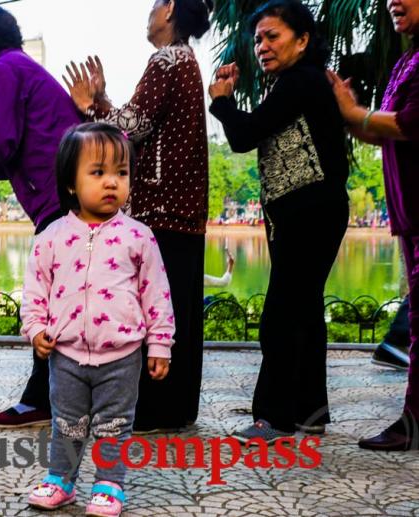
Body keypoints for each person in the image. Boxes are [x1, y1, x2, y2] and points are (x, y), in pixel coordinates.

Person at [64, 0, 212, 434]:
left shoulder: (166, 60)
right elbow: (140, 120)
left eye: (154, 5)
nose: (149, 13)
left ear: (169, 9)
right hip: (182, 209)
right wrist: (104, 99)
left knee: (157, 309)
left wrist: (91, 107)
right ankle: (178, 408)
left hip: (162, 207)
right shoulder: (185, 61)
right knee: (179, 307)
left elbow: (132, 127)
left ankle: (156, 410)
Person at [209, 0, 350, 443]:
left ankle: (273, 418)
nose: (262, 46)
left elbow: (244, 135)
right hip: (307, 213)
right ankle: (310, 413)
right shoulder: (297, 83)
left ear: (302, 40)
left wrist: (222, 102)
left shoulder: (301, 82)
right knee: (304, 311)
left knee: (282, 314)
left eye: (272, 36)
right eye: (258, 40)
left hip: (310, 213)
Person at [21, 123, 173, 516]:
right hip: (66, 354)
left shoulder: (138, 236)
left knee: (114, 425)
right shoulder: (51, 237)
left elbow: (156, 293)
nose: (112, 183)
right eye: (98, 172)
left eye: (121, 174)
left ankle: (109, 484)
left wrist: (159, 344)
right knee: (66, 422)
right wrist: (36, 329)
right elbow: (35, 291)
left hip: (122, 355)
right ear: (71, 183)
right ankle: (61, 480)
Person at [0, 3, 82, 429]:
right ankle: (56, 397)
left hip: (59, 198)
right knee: (67, 297)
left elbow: (1, 143)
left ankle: (39, 401)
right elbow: (10, 154)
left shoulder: (3, 70)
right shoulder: (23, 67)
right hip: (68, 193)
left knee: (50, 300)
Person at [327, 0, 419, 451]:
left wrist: (351, 112)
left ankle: (412, 425)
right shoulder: (408, 59)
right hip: (410, 215)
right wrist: (347, 110)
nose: (393, 3)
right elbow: (380, 129)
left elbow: (407, 123)